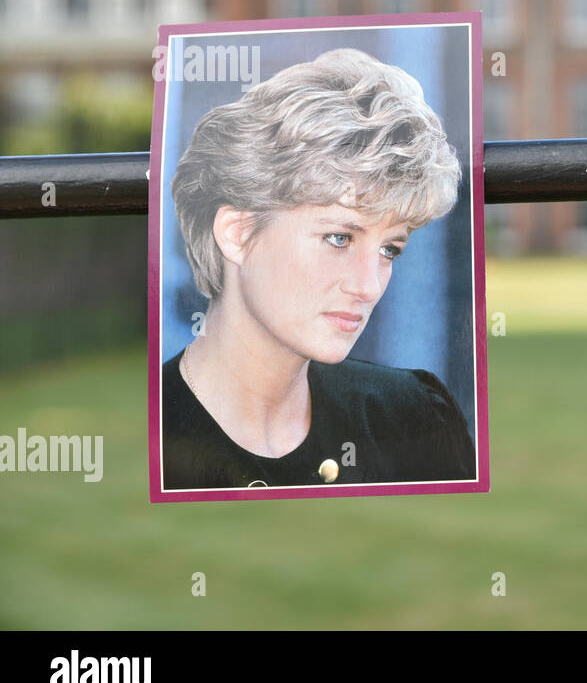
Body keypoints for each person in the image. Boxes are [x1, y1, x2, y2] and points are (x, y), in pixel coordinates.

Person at [163, 48, 474, 490]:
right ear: (237, 233)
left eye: (390, 250)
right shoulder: (149, 433)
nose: (368, 287)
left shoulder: (415, 416)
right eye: (339, 239)